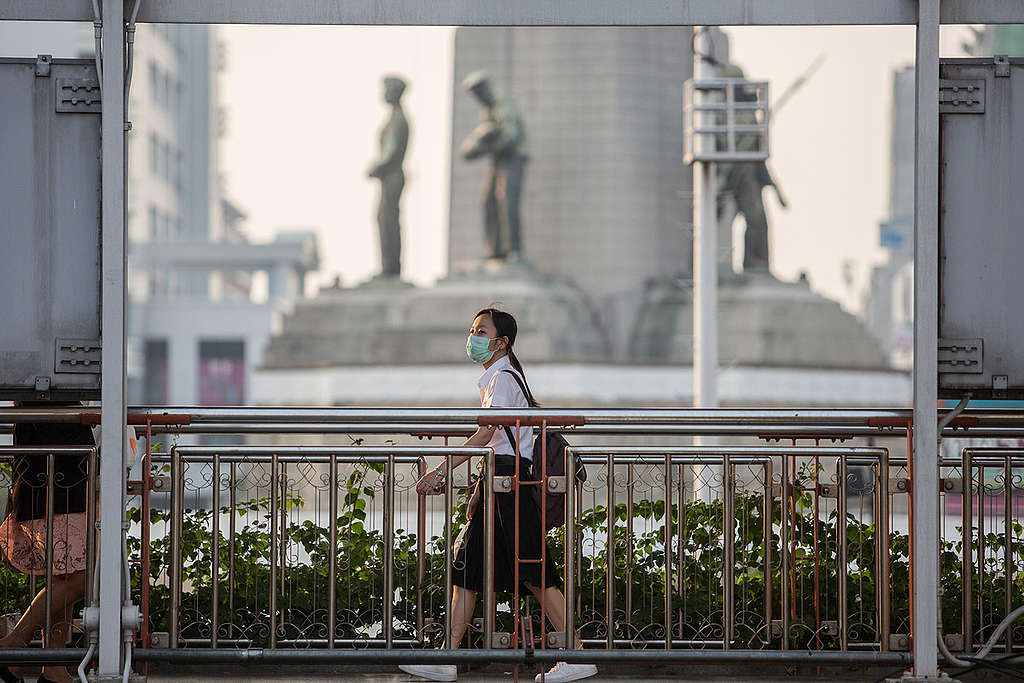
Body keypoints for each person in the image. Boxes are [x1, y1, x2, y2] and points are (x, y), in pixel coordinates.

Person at [400, 308, 596, 683]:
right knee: (468, 570)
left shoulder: (503, 378)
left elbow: (488, 434)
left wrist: (441, 470)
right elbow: (491, 434)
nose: (473, 337)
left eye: (481, 331)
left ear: (502, 341)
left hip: (509, 484)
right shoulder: (498, 377)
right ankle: (448, 659)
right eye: (473, 329)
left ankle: (576, 655)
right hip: (497, 483)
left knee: (537, 573)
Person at [0, 402, 91, 683]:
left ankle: (52, 666)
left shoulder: (37, 398)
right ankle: (14, 643)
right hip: (57, 490)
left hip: (47, 487)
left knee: (63, 575)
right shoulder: (50, 399)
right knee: (79, 578)